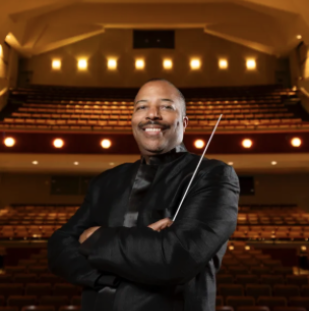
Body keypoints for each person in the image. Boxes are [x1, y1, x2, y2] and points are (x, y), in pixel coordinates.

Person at [47, 78, 240, 311]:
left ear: (184, 122)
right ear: (133, 120)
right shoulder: (106, 180)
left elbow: (175, 258)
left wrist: (94, 237)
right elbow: (59, 248)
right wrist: (110, 276)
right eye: (142, 107)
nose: (152, 115)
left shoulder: (213, 175)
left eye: (166, 106)